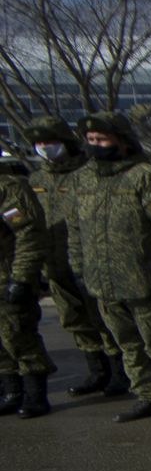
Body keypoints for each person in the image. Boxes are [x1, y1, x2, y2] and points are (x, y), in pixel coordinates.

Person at [68, 112, 151, 422]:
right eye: (91, 140)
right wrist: (80, 268)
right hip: (103, 281)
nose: (95, 145)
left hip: (141, 278)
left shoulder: (145, 178)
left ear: (122, 142)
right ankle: (144, 393)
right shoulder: (82, 180)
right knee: (127, 343)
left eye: (102, 139)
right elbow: (74, 230)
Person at [24, 115, 126, 398]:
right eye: (39, 143)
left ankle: (120, 371)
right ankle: (97, 371)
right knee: (74, 319)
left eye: (51, 142)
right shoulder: (36, 180)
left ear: (66, 142)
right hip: (53, 263)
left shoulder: (86, 173)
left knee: (103, 318)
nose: (45, 147)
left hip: (87, 260)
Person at [0, 144, 52, 417]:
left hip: (7, 277)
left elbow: (29, 234)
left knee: (19, 337)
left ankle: (35, 394)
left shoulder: (8, 188)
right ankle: (11, 391)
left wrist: (21, 277)